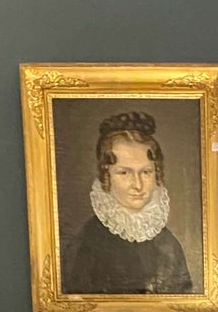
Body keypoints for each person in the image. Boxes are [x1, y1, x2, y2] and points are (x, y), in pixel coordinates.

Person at [61, 111, 192, 296]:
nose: (137, 185)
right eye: (124, 173)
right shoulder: (86, 245)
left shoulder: (168, 244)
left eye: (146, 172)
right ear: (106, 176)